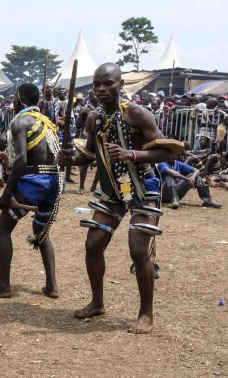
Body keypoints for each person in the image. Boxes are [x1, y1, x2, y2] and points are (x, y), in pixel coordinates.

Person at [58, 63, 177, 334]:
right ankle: (97, 303)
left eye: (108, 83)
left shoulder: (136, 114)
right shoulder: (93, 119)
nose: (101, 89)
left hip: (142, 188)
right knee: (93, 244)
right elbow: (88, 155)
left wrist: (131, 154)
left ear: (120, 84)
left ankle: (146, 314)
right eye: (97, 84)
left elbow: (168, 152)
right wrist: (70, 160)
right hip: (112, 191)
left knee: (137, 249)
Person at [0, 84, 61, 299]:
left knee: (2, 228)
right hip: (53, 182)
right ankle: (51, 286)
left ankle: (4, 286)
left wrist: (7, 193)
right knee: (41, 231)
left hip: (34, 181)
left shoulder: (20, 122)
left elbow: (22, 160)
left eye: (15, 99)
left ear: (18, 101)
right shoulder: (47, 122)